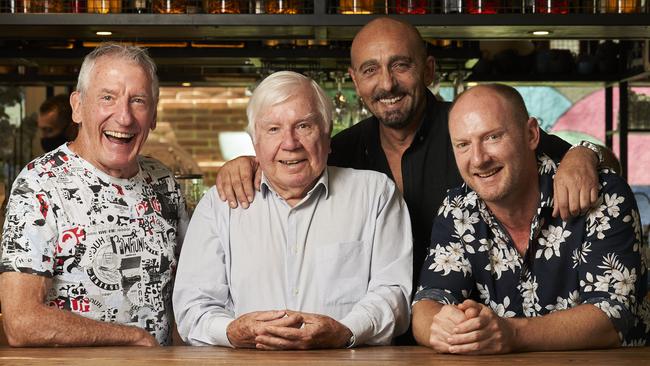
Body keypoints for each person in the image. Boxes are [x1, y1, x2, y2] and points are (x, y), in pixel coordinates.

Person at [213, 17, 614, 296]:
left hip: (470, 326)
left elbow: (604, 163)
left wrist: (584, 154)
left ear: (429, 70)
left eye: (400, 66)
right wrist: (250, 163)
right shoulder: (344, 147)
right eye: (370, 70)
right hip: (372, 335)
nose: (386, 83)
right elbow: (289, 160)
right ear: (354, 80)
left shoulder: (469, 133)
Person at [173, 71, 412, 349]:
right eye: (273, 129)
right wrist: (231, 331)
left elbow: (394, 294)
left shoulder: (375, 195)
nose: (290, 143)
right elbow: (193, 307)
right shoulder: (221, 204)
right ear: (254, 142)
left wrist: (345, 332)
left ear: (327, 131)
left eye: (303, 126)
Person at [412, 84, 649, 354]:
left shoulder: (602, 193)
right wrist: (444, 327)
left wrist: (510, 332)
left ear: (531, 134)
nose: (478, 159)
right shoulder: (457, 209)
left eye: (492, 137)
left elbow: (612, 317)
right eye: (463, 144)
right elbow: (427, 303)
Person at [0, 43, 188, 347]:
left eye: (138, 100)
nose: (124, 117)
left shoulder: (163, 181)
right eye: (107, 98)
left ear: (153, 113)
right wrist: (132, 337)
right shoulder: (38, 185)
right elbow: (21, 321)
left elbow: (189, 293)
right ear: (77, 106)